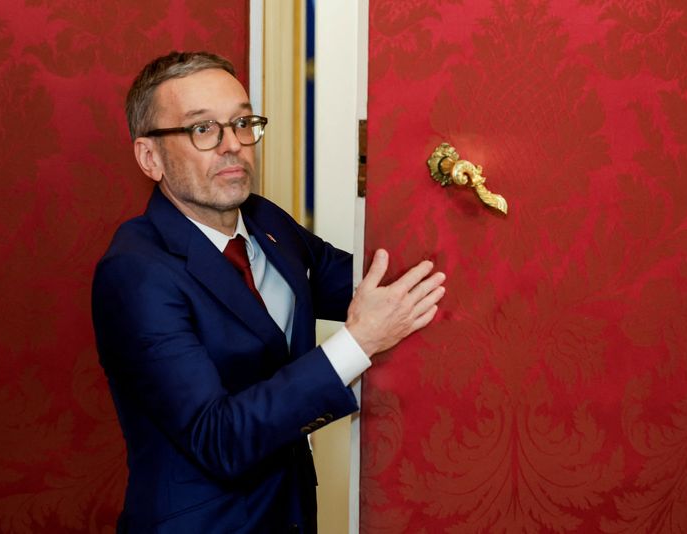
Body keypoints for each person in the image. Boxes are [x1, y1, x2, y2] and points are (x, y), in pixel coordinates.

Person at [92, 51, 446, 533]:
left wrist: (443, 207)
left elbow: (374, 287)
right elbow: (218, 437)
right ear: (149, 157)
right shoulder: (135, 273)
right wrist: (358, 343)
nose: (232, 145)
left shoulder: (266, 221)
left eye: (241, 123)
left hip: (292, 514)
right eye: (203, 129)